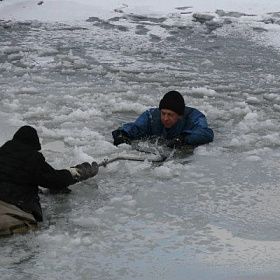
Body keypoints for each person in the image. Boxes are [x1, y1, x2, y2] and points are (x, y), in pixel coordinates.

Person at [0, 125, 99, 236]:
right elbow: (54, 180)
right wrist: (73, 173)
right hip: (14, 211)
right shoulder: (33, 158)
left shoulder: (2, 152)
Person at [112, 90, 214, 148]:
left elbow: (206, 133)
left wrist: (183, 139)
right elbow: (136, 127)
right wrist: (122, 134)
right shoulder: (151, 116)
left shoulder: (194, 117)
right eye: (163, 113)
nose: (165, 118)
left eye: (170, 115)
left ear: (179, 115)